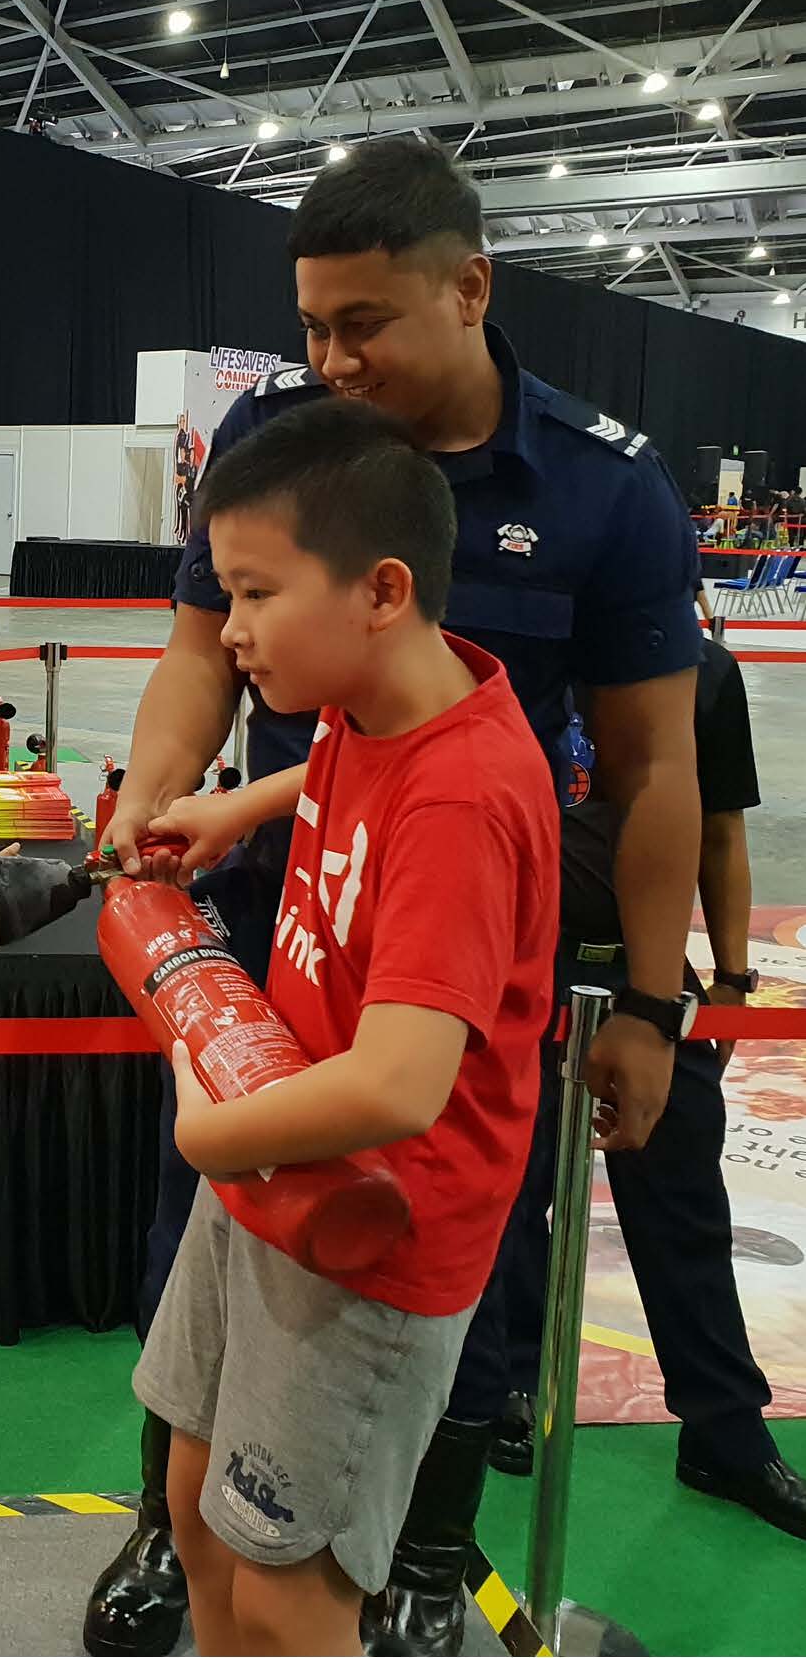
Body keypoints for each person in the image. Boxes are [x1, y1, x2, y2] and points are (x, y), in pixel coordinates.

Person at [82, 134, 708, 1655]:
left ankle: (421, 1560)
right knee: (209, 1329)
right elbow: (203, 673)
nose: (326, 357)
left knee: (444, 1308)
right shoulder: (290, 448)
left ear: (469, 290)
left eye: (360, 324)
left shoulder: (603, 494)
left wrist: (646, 998)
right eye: (307, 325)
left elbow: (649, 767)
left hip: (446, 977)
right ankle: (176, 1540)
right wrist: (178, 797)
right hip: (302, 957)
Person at [110, 396, 558, 1657]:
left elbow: (403, 1085)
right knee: (196, 1514)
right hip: (269, 1169)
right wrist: (242, 806)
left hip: (368, 1231)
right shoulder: (383, 702)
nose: (231, 633)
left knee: (289, 1590)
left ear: (382, 590)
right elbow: (362, 766)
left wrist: (213, 1132)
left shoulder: (467, 799)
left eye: (256, 594)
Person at [527, 583, 806, 1538]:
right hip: (519, 973)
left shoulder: (704, 675)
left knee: (682, 1200)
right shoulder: (517, 663)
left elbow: (719, 833)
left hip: (648, 978)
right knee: (512, 1196)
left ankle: (725, 1433)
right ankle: (505, 1393)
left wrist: (728, 982)